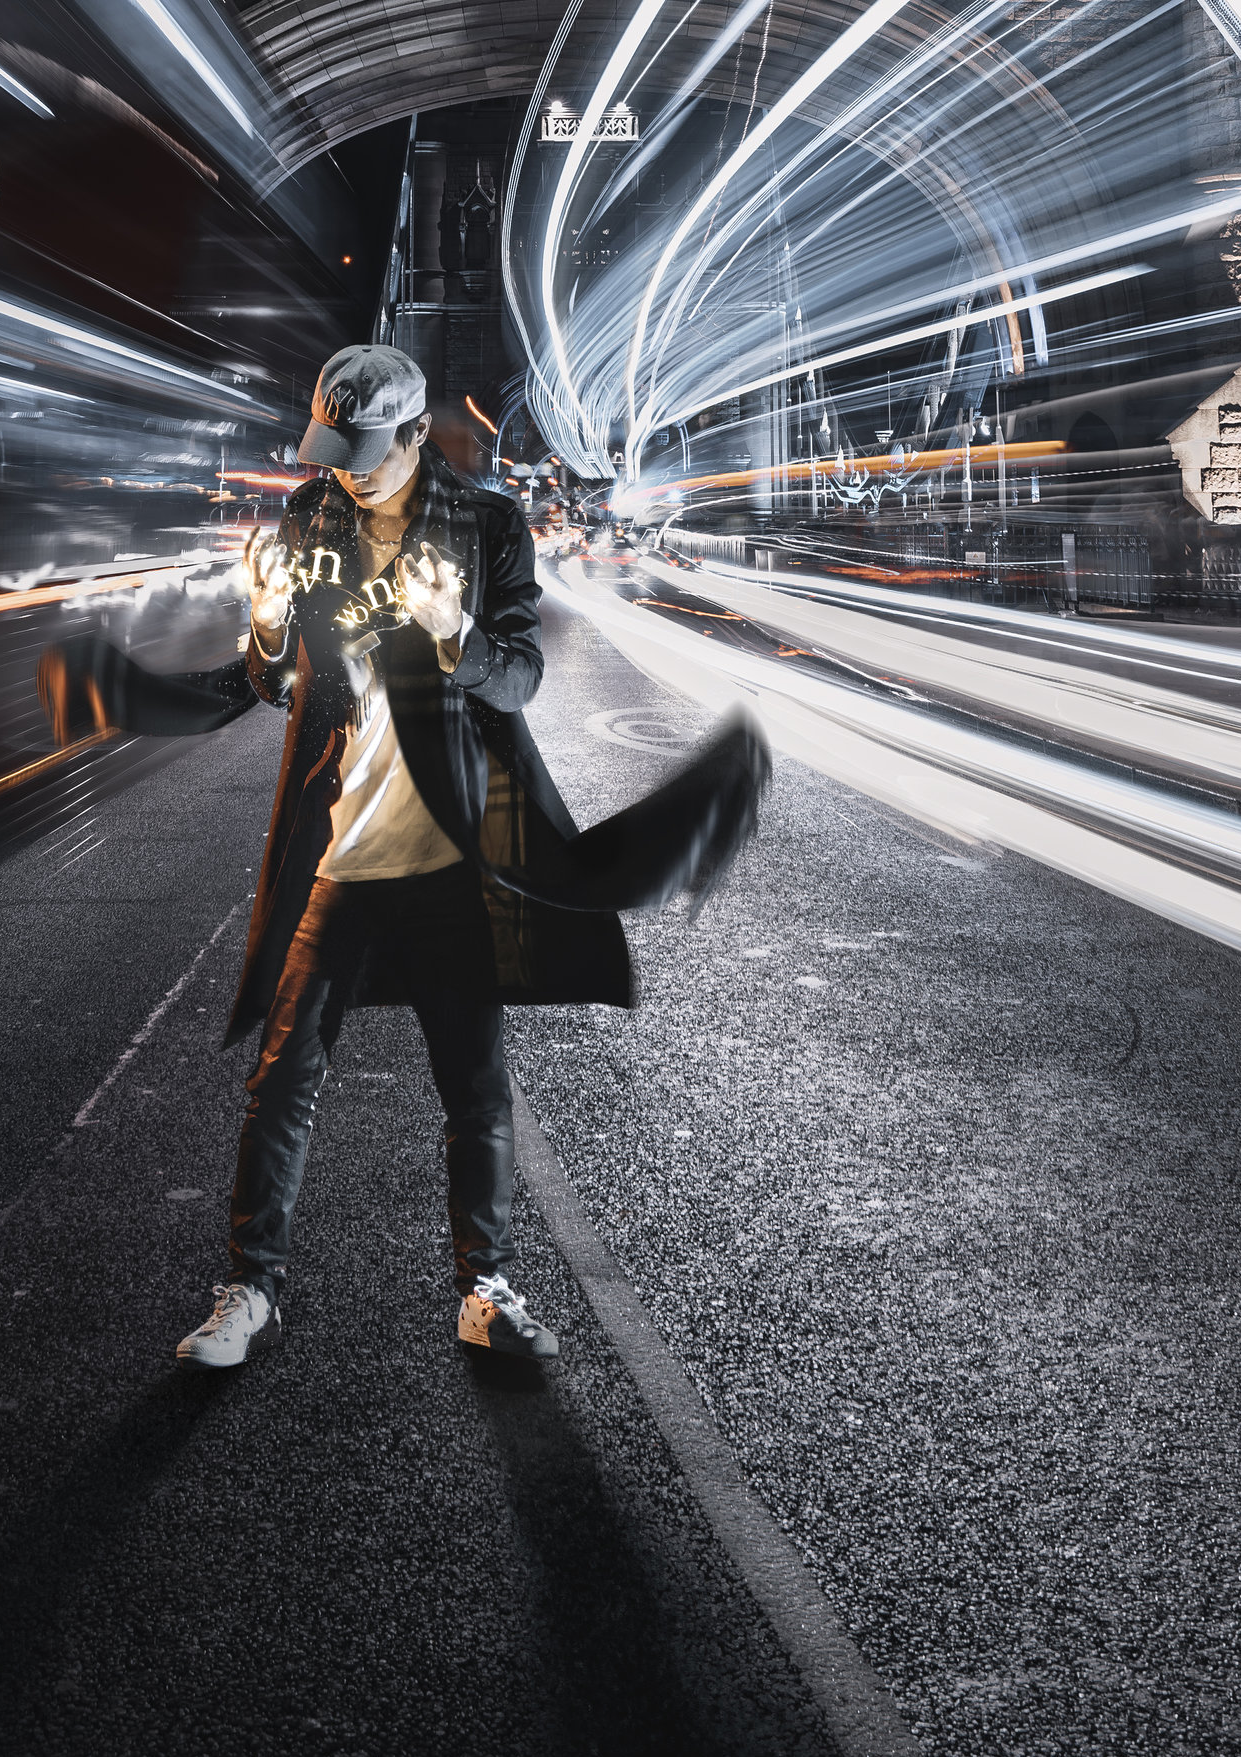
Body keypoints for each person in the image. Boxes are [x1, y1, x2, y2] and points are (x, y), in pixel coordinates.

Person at [39, 342, 767, 1378]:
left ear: (420, 434)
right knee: (283, 1073)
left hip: (446, 855)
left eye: (367, 451)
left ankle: (487, 1288)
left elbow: (516, 678)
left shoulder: (486, 524)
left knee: (473, 1085)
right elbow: (276, 679)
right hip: (339, 848)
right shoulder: (310, 515)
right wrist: (266, 622)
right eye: (333, 448)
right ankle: (251, 1287)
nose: (346, 468)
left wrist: (453, 627)